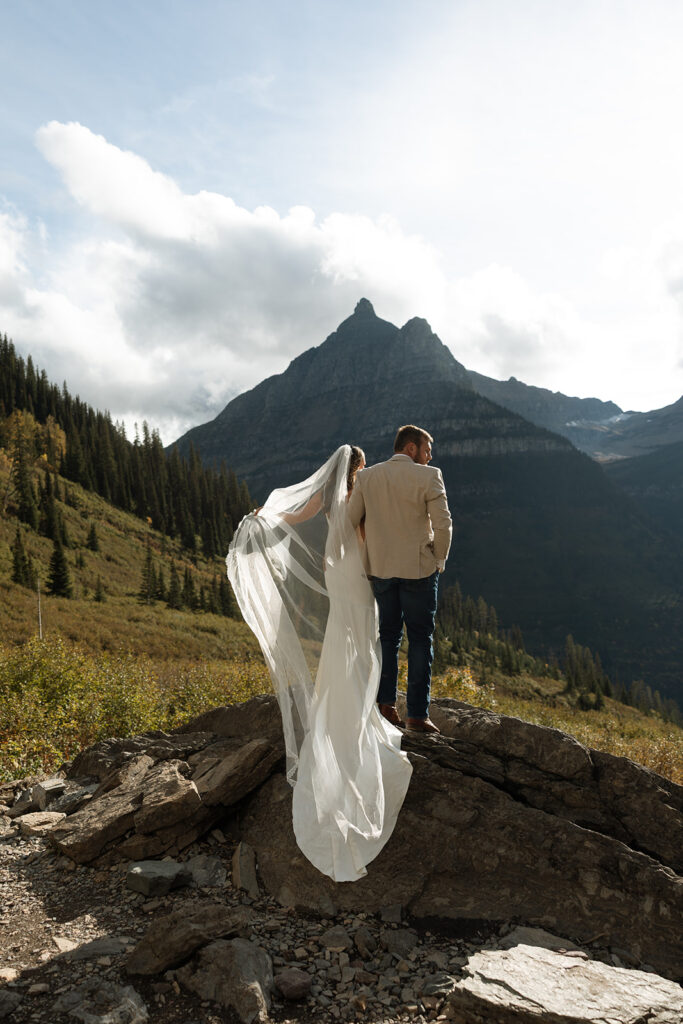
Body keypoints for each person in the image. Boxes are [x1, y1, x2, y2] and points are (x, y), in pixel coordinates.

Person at [226, 445, 412, 882]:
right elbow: (367, 538)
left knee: (343, 633)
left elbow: (293, 517)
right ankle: (363, 701)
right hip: (356, 575)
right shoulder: (360, 492)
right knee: (364, 637)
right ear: (358, 467)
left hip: (336, 572)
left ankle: (343, 699)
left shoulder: (326, 498)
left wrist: (262, 517)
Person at [347, 424, 452, 735]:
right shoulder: (429, 477)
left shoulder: (367, 477)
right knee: (420, 639)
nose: (430, 457)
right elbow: (444, 524)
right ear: (410, 448)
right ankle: (417, 715)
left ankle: (385, 704)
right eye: (427, 451)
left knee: (388, 638)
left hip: (380, 570)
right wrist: (439, 559)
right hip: (419, 570)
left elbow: (350, 521)